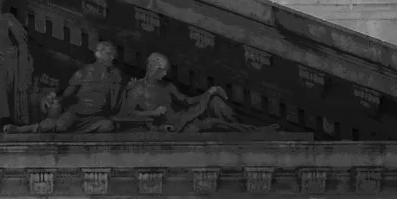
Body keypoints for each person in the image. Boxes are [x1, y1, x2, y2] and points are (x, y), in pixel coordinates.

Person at [111, 52, 248, 133]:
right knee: (212, 124)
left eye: (165, 70)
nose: (165, 74)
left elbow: (186, 101)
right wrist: (152, 113)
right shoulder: (137, 89)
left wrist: (208, 93)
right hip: (173, 126)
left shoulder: (168, 86)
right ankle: (246, 132)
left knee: (215, 102)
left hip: (183, 117)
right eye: (161, 70)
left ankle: (242, 128)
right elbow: (127, 114)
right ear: (152, 68)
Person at [32, 39, 126, 133]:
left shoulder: (117, 75)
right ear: (98, 54)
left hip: (97, 118)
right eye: (109, 54)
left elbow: (115, 105)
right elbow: (66, 95)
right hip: (75, 115)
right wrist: (52, 97)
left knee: (108, 126)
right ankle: (30, 128)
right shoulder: (83, 73)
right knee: (57, 126)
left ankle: (79, 133)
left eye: (113, 55)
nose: (112, 57)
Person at [0, 0, 35, 130]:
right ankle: (2, 118)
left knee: (6, 84)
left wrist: (22, 63)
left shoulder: (8, 18)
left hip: (11, 59)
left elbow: (22, 41)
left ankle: (9, 119)